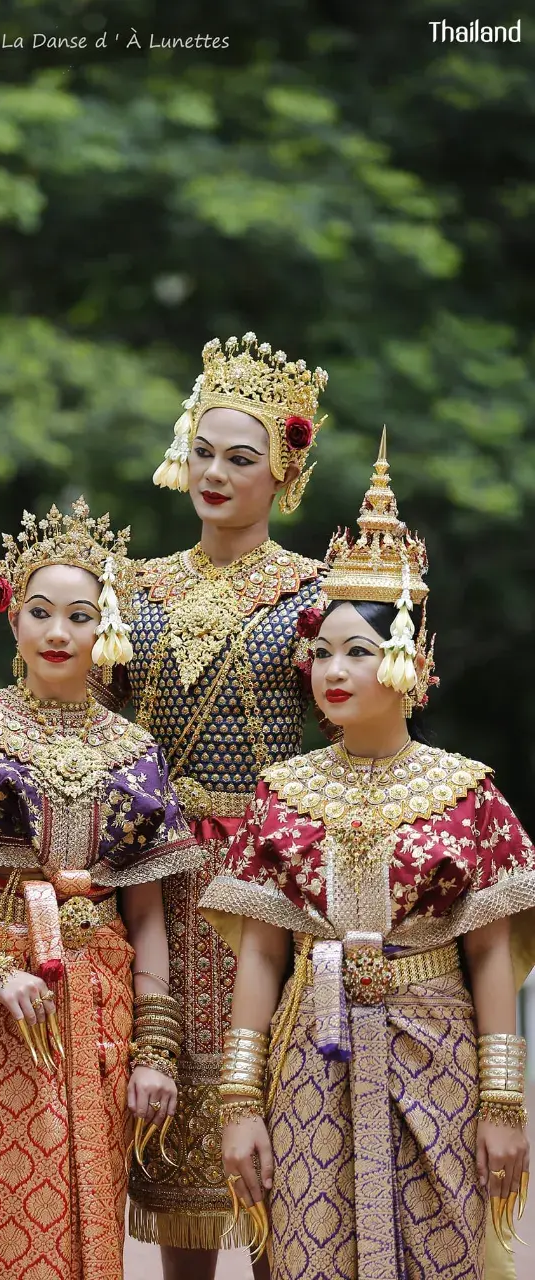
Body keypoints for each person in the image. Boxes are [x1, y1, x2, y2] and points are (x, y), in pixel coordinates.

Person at [0, 334, 330, 1277]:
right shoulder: (132, 591)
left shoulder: (317, 593)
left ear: (284, 471)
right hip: (137, 882)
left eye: (242, 457)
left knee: (273, 1114)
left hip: (264, 879)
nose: (215, 472)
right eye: (202, 449)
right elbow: (65, 717)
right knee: (149, 1133)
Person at [200, 434, 534, 1279]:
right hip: (308, 1053)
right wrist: (239, 1103)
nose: (332, 671)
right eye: (320, 653)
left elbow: (491, 950)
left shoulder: (467, 793)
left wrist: (503, 1101)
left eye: (355, 651)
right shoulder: (282, 792)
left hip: (436, 1049)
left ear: (407, 659)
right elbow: (262, 955)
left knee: (440, 1248)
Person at [0, 499, 203, 1280]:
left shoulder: (135, 753)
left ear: (102, 628)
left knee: (87, 1204)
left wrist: (156, 1052)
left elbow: (146, 916)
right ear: (12, 620)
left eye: (79, 615)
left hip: (99, 994)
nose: (57, 632)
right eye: (40, 611)